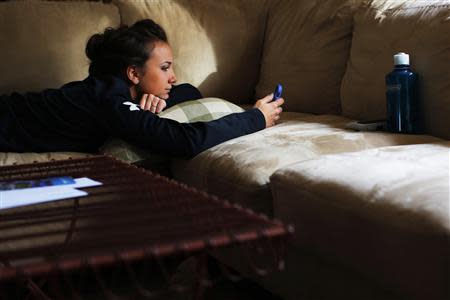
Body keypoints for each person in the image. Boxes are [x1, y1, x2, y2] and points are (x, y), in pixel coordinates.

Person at [0, 19, 284, 159]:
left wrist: (156, 101)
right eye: (165, 68)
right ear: (133, 73)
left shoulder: (116, 92)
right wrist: (256, 117)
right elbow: (185, 142)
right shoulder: (111, 102)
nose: (172, 77)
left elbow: (190, 92)